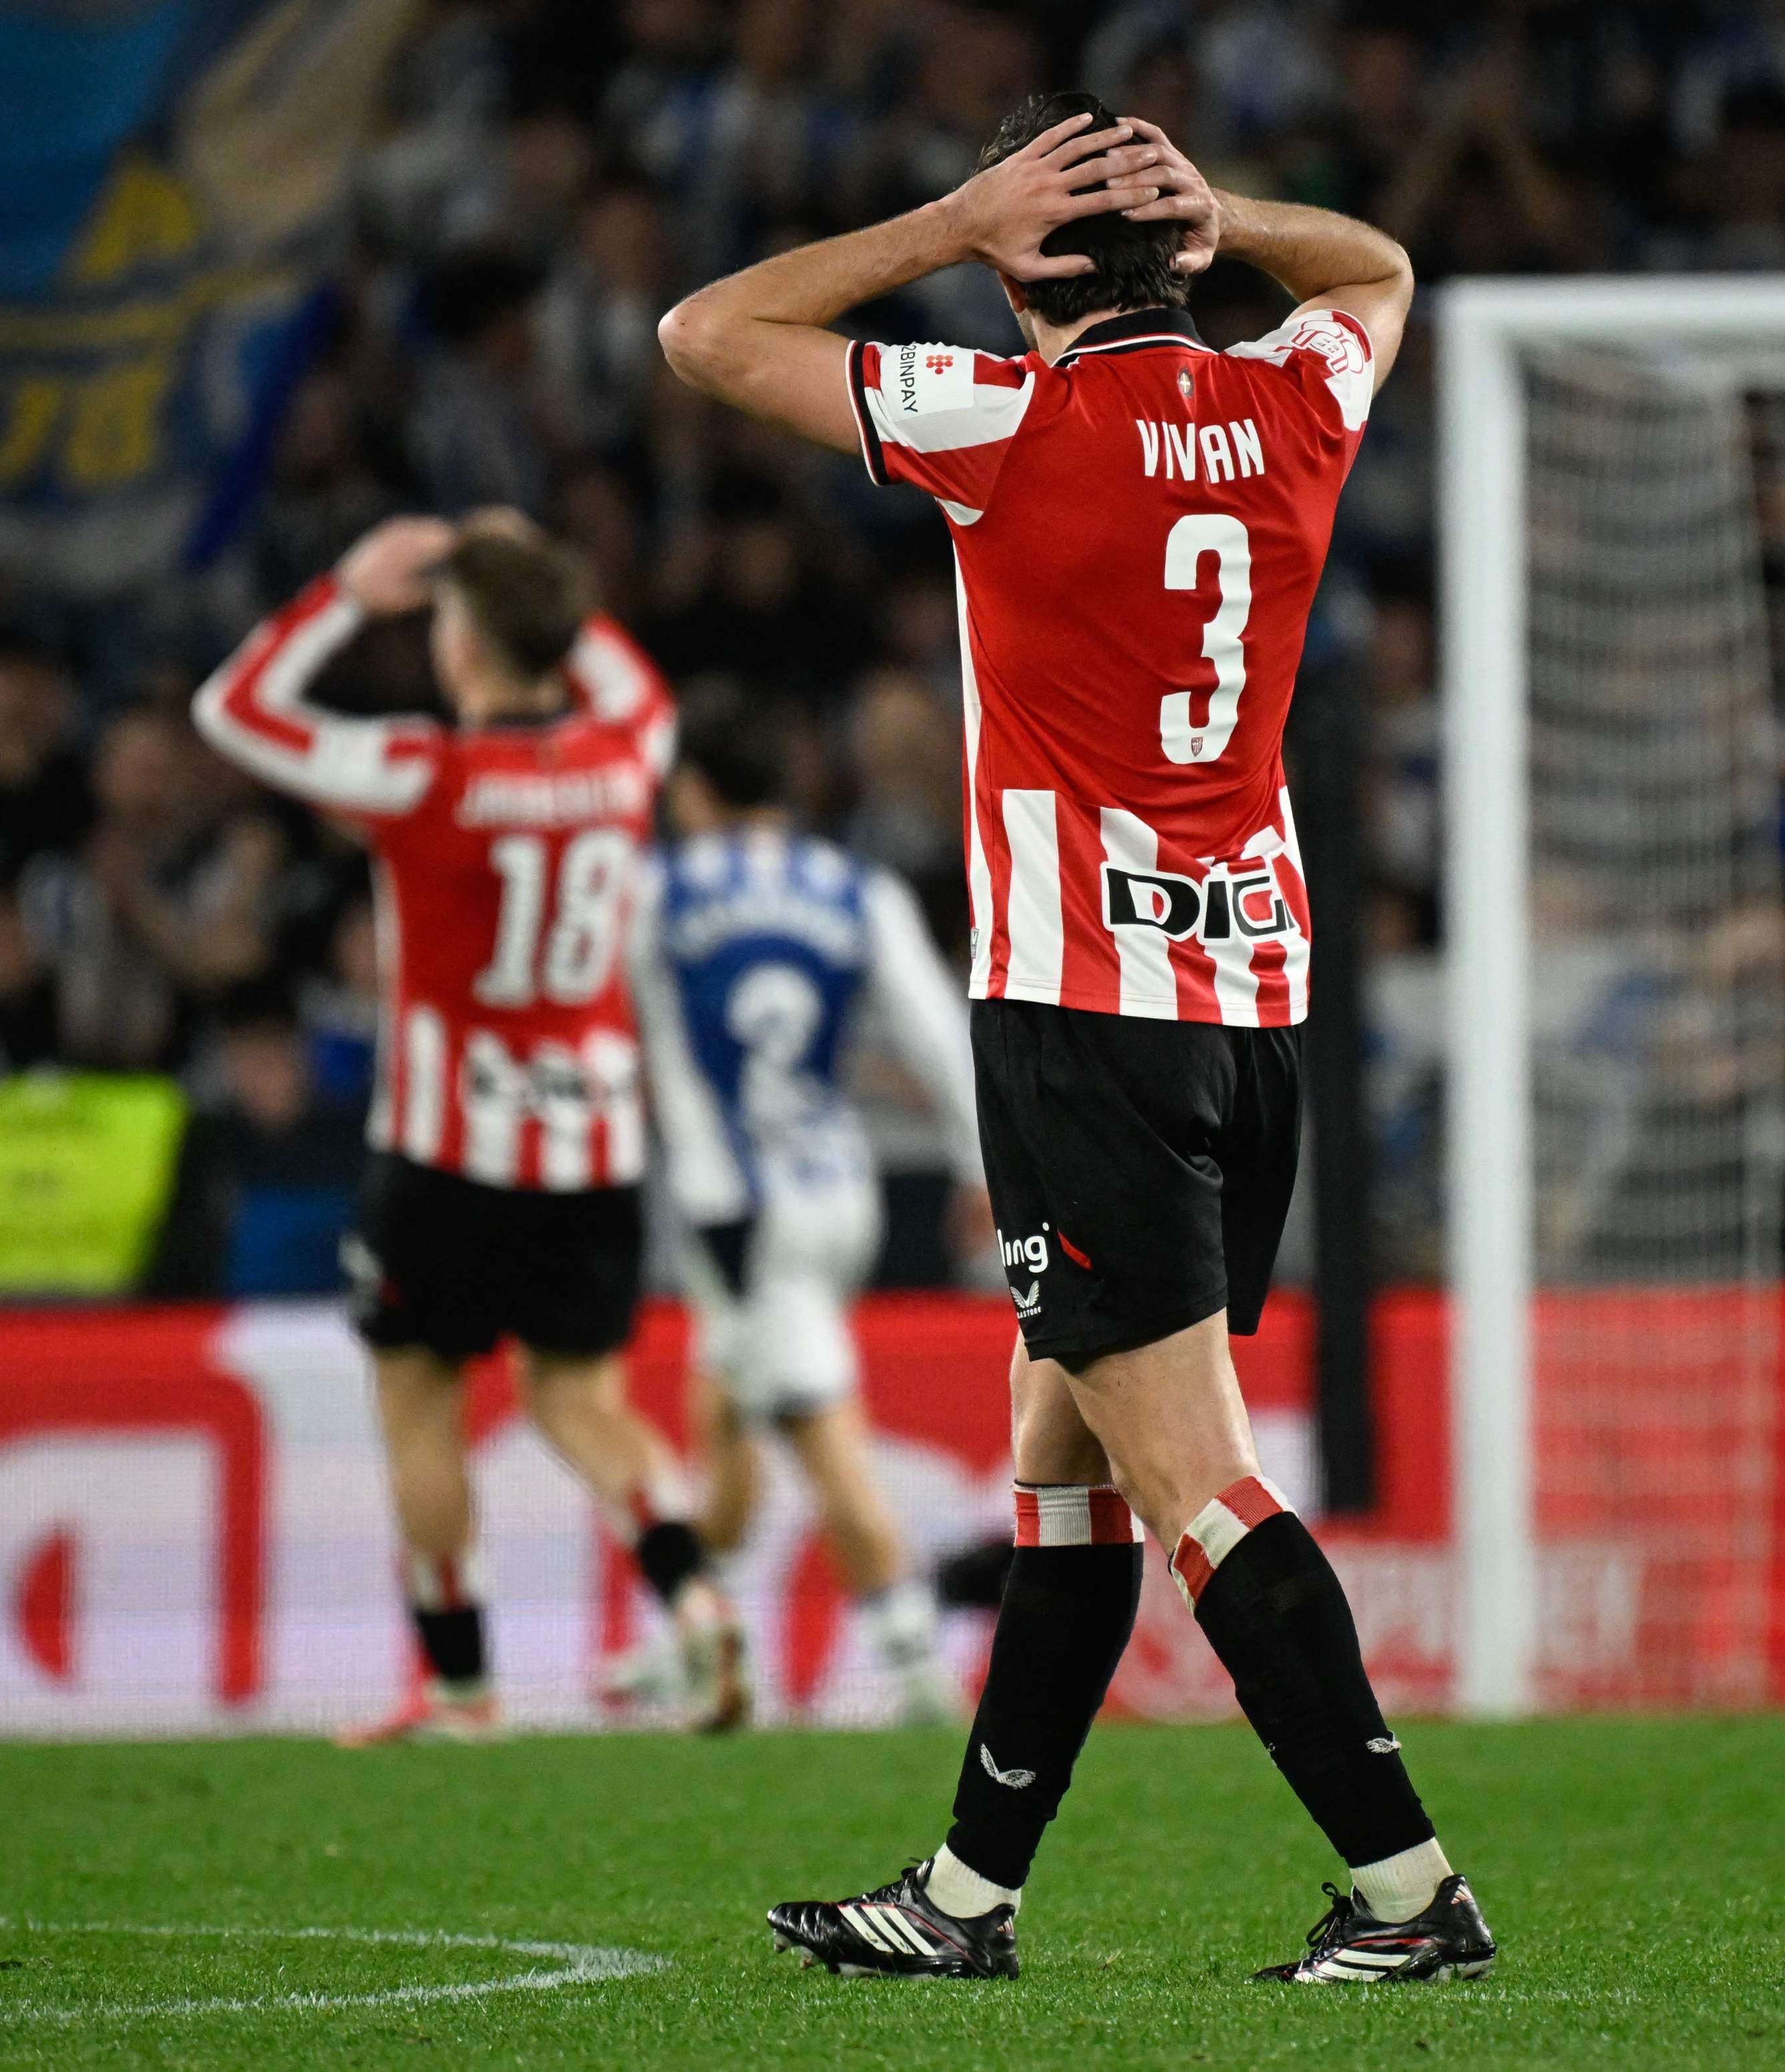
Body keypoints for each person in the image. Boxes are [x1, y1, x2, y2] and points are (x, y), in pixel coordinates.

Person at [660, 94, 1487, 1983]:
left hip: (1082, 1015)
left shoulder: (1009, 425)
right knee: (1061, 1451)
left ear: (1032, 268)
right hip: (1246, 1004)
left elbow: (702, 334)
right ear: (1176, 255)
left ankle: (1406, 1887)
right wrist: (1227, 217)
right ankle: (962, 1897)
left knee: (1185, 1471)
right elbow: (1375, 264)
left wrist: (947, 214)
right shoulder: (1293, 399)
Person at [190, 507, 746, 1739]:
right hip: (594, 1143)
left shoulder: (425, 773)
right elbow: (631, 682)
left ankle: (460, 1692)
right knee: (579, 1401)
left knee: (419, 1403)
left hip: (447, 1147)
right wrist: (544, 574)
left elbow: (231, 712)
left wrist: (343, 592)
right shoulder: (626, 755)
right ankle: (696, 1602)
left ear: (463, 646)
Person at [629, 685, 988, 1728]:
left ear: (690, 789)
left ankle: (914, 1663)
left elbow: (643, 1049)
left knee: (821, 1433)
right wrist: (978, 1168)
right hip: (841, 1183)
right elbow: (933, 1029)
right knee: (723, 1413)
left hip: (739, 1207)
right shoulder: (853, 887)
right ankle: (696, 1631)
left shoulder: (661, 893)